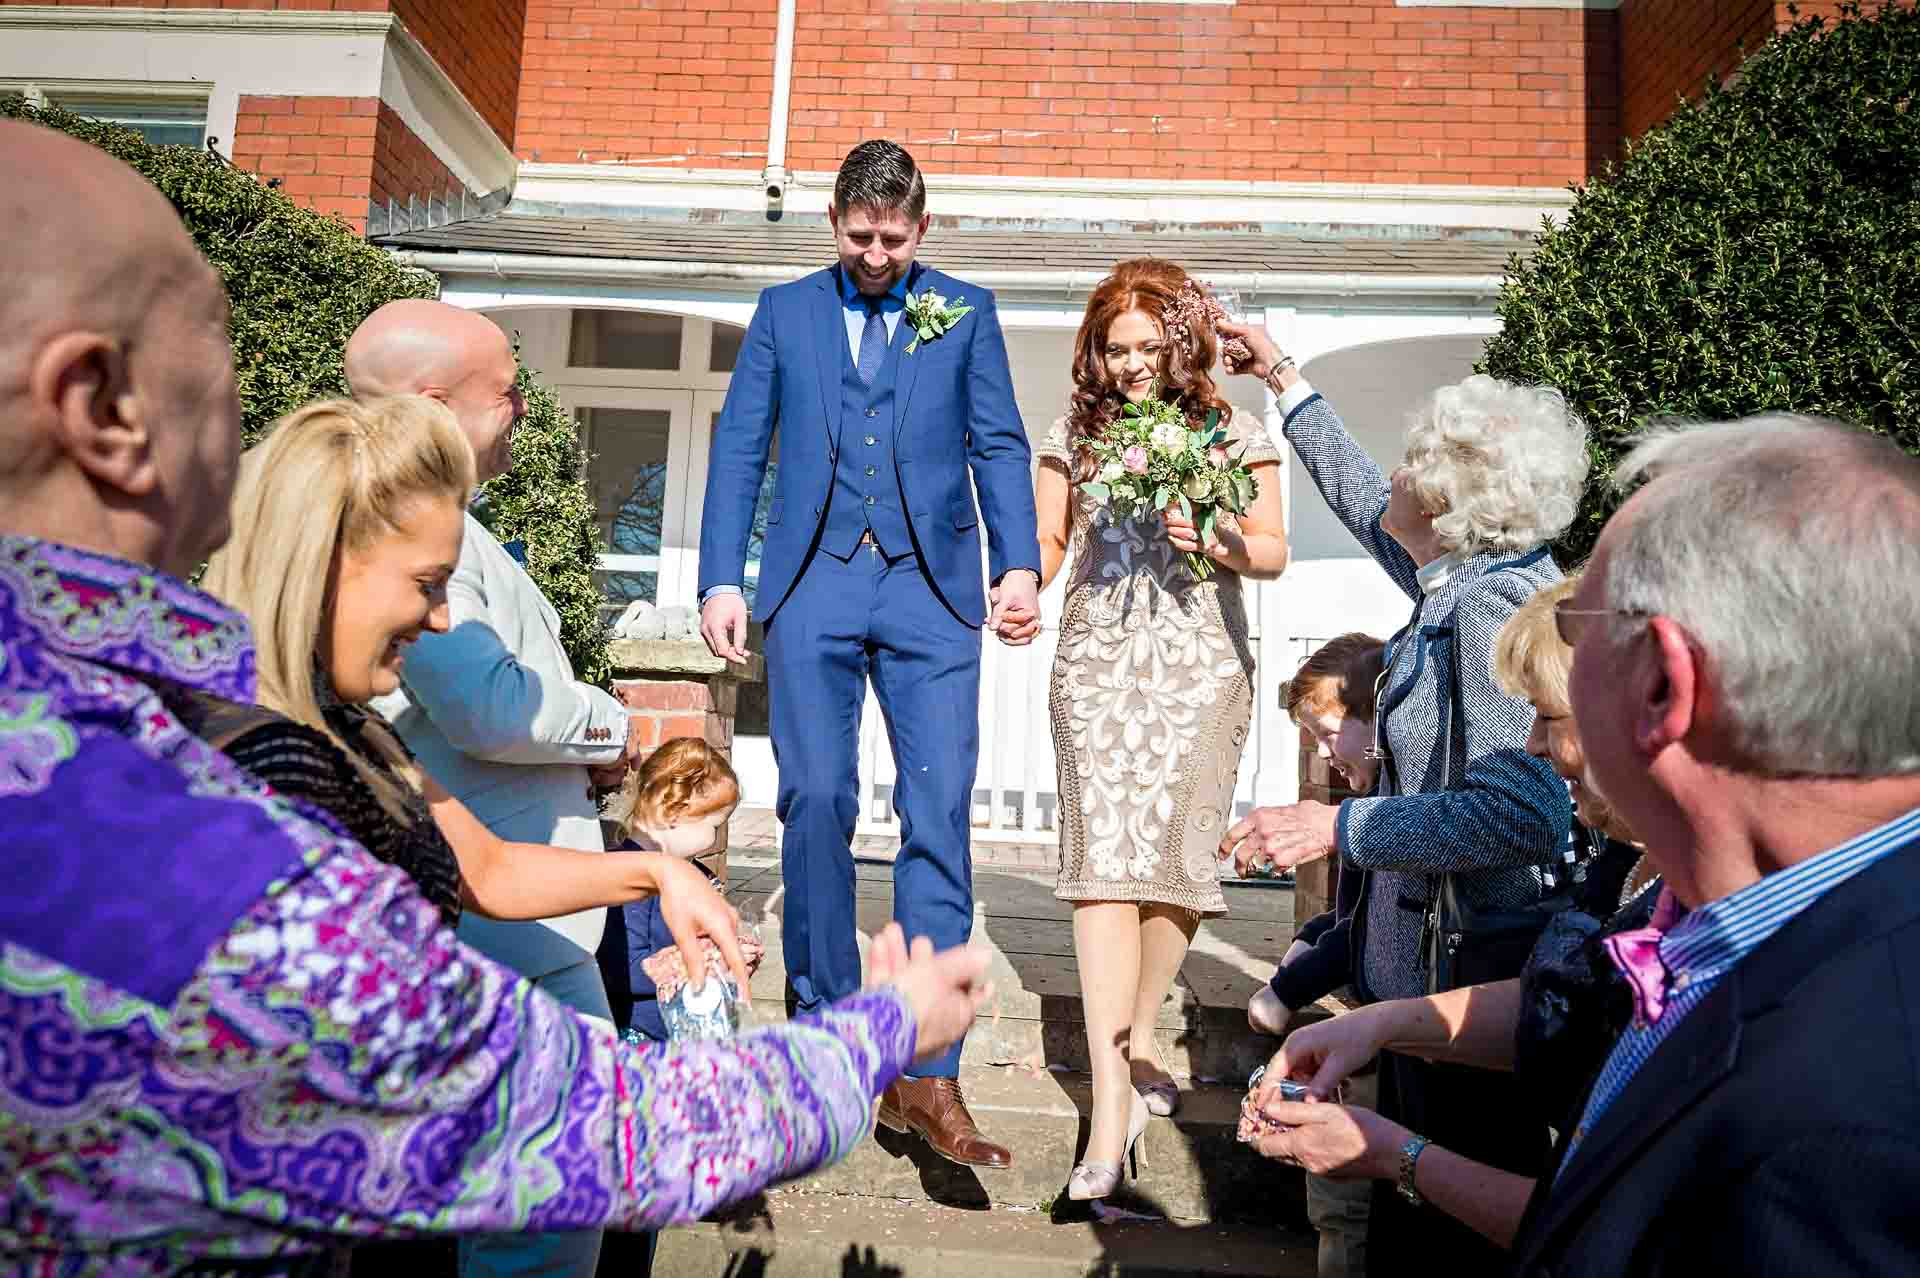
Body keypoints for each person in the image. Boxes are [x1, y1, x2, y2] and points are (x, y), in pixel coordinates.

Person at [0, 119, 992, 1276]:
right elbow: (593, 1127)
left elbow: (465, 851)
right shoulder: (201, 844)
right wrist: (879, 1031)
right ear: (103, 404)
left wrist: (653, 868)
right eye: (214, 340)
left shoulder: (141, 716)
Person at [1503, 416, 1920, 1274]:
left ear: (1661, 682)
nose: (1541, 734)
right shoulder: (1763, 938)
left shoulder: (1833, 1135)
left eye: (1577, 626)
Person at [696, 139, 1043, 1170]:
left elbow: (1000, 444)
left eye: (896, 236)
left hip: (933, 588)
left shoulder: (967, 311)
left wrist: (1018, 564)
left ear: (922, 227)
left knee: (937, 809)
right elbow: (739, 448)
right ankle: (819, 1038)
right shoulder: (783, 313)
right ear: (834, 222)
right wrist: (723, 577)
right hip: (813, 582)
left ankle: (930, 1071)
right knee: (815, 800)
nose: (879, 253)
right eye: (861, 235)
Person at [1214, 321, 1582, 1267]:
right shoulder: (1457, 585)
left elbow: (1521, 812)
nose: (1396, 480)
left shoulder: (1493, 605)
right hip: (1419, 996)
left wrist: (1339, 823)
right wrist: (1283, 380)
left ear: (1454, 498)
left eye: (1414, 464)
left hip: (1467, 995)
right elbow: (1357, 500)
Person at [200, 396, 737, 951]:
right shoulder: (261, 771)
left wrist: (661, 874)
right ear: (320, 570)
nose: (441, 619)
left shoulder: (354, 733)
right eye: (425, 583)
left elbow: (489, 870)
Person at [346, 300, 635, 1278]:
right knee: (540, 1226)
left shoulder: (450, 531)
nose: (522, 406)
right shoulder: (428, 538)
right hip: (503, 933)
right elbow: (488, 707)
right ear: (432, 404)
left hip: (510, 915)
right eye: (506, 389)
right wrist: (614, 724)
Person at [1245, 573, 1657, 1252]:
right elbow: (1555, 1010)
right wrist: (1380, 1026)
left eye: (1548, 717)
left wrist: (1398, 1156)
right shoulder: (1625, 865)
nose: (1528, 745)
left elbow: (1601, 1227)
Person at [1032, 258, 1289, 1202]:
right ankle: (1109, 1107)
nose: (1131, 364)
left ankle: (1139, 1043)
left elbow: (1272, 549)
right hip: (1097, 666)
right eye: (1115, 347)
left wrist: (1218, 539)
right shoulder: (1075, 433)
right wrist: (1023, 581)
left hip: (1200, 669)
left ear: (1180, 344)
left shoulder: (1234, 432)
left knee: (1176, 871)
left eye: (1148, 346)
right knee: (1100, 873)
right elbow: (1052, 545)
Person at [1250, 632, 1387, 1041]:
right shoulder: (1375, 799)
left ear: (1378, 719)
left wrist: (1283, 994)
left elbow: (1362, 931)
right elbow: (1350, 913)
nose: (1323, 754)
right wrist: (1307, 940)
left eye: (1328, 733)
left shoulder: (1389, 813)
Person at [605, 737, 754, 1044]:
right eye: (714, 825)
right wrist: (702, 964)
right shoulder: (626, 874)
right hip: (640, 1037)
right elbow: (623, 969)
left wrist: (730, 951)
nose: (715, 839)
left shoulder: (694, 874)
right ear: (674, 811)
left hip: (681, 1031)